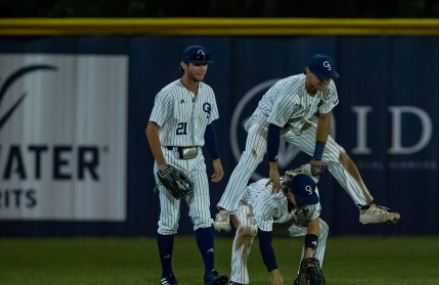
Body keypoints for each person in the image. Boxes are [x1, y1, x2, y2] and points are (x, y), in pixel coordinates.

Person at [215, 53, 400, 232]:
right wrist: (272, 166)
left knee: (338, 154)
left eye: (327, 77)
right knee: (251, 158)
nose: (324, 81)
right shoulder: (291, 94)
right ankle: (224, 210)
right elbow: (273, 128)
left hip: (296, 122)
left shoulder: (328, 87)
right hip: (265, 120)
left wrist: (318, 156)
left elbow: (325, 118)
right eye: (320, 77)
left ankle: (366, 208)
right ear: (307, 72)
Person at [145, 45, 228, 285]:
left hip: (197, 159)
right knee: (169, 221)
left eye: (204, 64)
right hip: (170, 157)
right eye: (196, 63)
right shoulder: (168, 94)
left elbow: (209, 127)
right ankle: (167, 275)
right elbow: (151, 130)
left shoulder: (208, 92)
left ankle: (210, 274)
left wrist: (216, 158)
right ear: (184, 65)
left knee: (203, 217)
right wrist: (161, 165)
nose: (201, 68)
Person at [228, 165, 328, 285]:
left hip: (281, 220)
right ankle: (237, 280)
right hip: (249, 207)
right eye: (302, 200)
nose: (306, 203)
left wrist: (308, 259)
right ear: (290, 194)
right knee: (247, 230)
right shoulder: (270, 200)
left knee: (322, 228)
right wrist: (274, 273)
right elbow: (265, 243)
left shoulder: (310, 192)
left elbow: (314, 222)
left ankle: (304, 279)